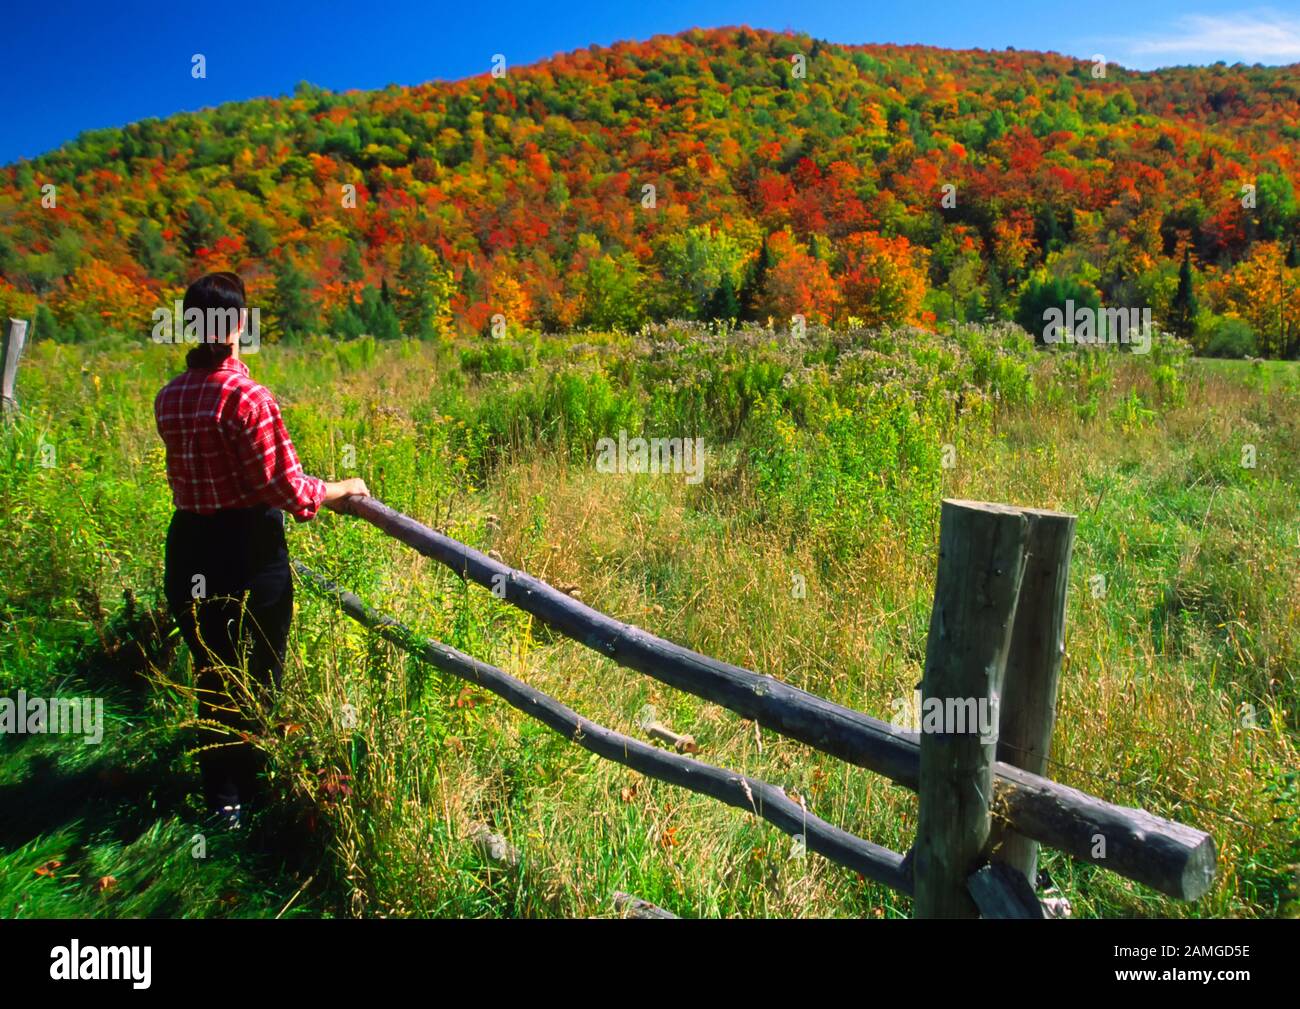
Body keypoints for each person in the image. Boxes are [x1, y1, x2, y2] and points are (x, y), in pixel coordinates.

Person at [154, 271, 368, 827]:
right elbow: (287, 491)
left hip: (190, 545)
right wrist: (342, 488)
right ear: (240, 324)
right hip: (247, 548)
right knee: (261, 668)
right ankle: (256, 790)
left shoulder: (170, 396)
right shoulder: (248, 397)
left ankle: (223, 797)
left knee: (212, 670)